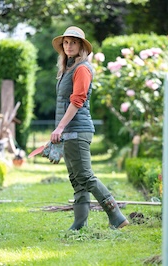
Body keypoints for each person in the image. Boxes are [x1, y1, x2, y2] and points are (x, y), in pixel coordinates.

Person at [50, 26, 129, 230]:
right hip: (69, 131)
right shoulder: (66, 69)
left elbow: (77, 101)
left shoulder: (82, 68)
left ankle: (116, 216)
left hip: (78, 130)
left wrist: (59, 128)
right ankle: (79, 223)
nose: (69, 46)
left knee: (85, 175)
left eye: (73, 42)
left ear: (81, 46)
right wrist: (60, 130)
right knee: (76, 178)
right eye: (66, 42)